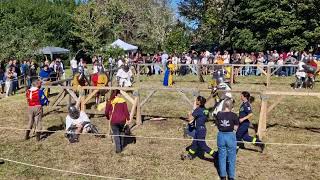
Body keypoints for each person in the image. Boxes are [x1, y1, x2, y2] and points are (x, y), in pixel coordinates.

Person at [181, 96, 215, 160]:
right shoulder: (206, 110)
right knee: (194, 143)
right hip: (202, 129)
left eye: (196, 100)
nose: (195, 101)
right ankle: (189, 155)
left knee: (203, 146)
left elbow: (190, 119)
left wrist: (189, 114)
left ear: (199, 101)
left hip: (200, 130)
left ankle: (216, 155)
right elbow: (206, 119)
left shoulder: (198, 110)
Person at [216, 99, 239, 180]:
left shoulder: (219, 114)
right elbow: (236, 128)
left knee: (221, 156)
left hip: (221, 135)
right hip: (230, 136)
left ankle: (222, 176)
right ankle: (231, 177)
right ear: (231, 106)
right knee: (232, 158)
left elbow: (218, 125)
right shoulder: (234, 115)